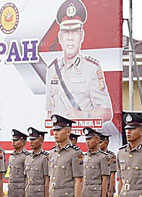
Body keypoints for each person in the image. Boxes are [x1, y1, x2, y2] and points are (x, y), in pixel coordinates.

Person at [45, 0, 112, 129]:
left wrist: (83, 115)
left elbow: (107, 112)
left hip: (83, 140)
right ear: (60, 37)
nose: (70, 38)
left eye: (74, 32)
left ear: (81, 35)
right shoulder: (52, 70)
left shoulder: (92, 68)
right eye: (66, 32)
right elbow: (50, 112)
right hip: (58, 142)